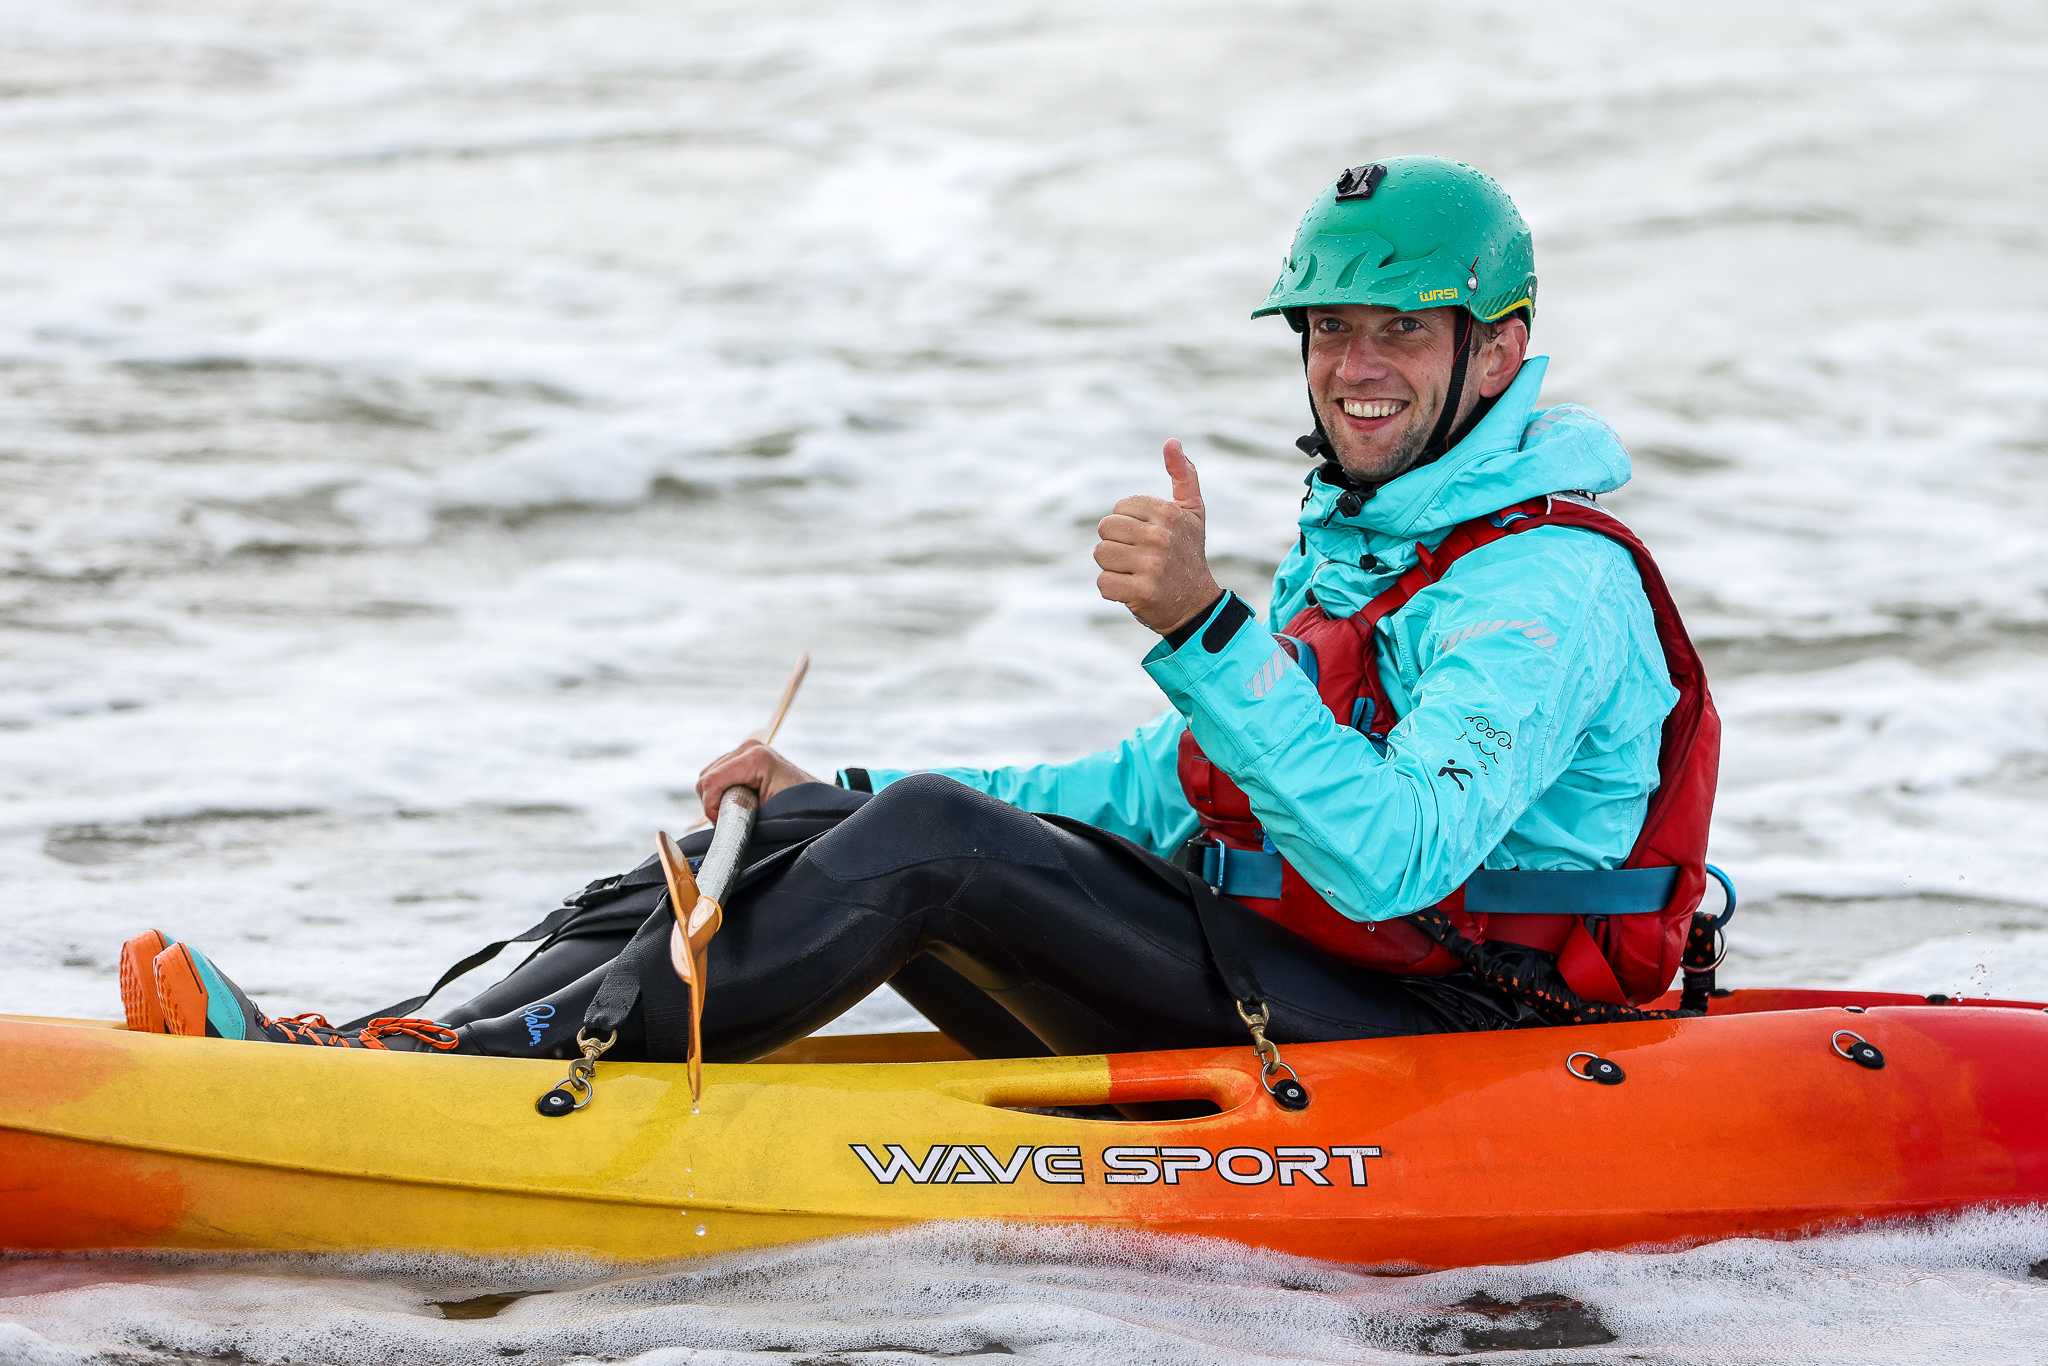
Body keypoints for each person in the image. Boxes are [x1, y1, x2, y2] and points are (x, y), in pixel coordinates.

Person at [117, 156, 1718, 1068]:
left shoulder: (1545, 587)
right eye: (1328, 330)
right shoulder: (1373, 538)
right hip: (1292, 960)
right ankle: (387, 1041)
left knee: (938, 843)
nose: (1353, 365)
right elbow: (1163, 792)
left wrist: (1205, 630)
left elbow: (1400, 856)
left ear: (1498, 350)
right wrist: (842, 795)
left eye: (1399, 331)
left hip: (1445, 1024)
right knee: (821, 824)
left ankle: (495, 1077)